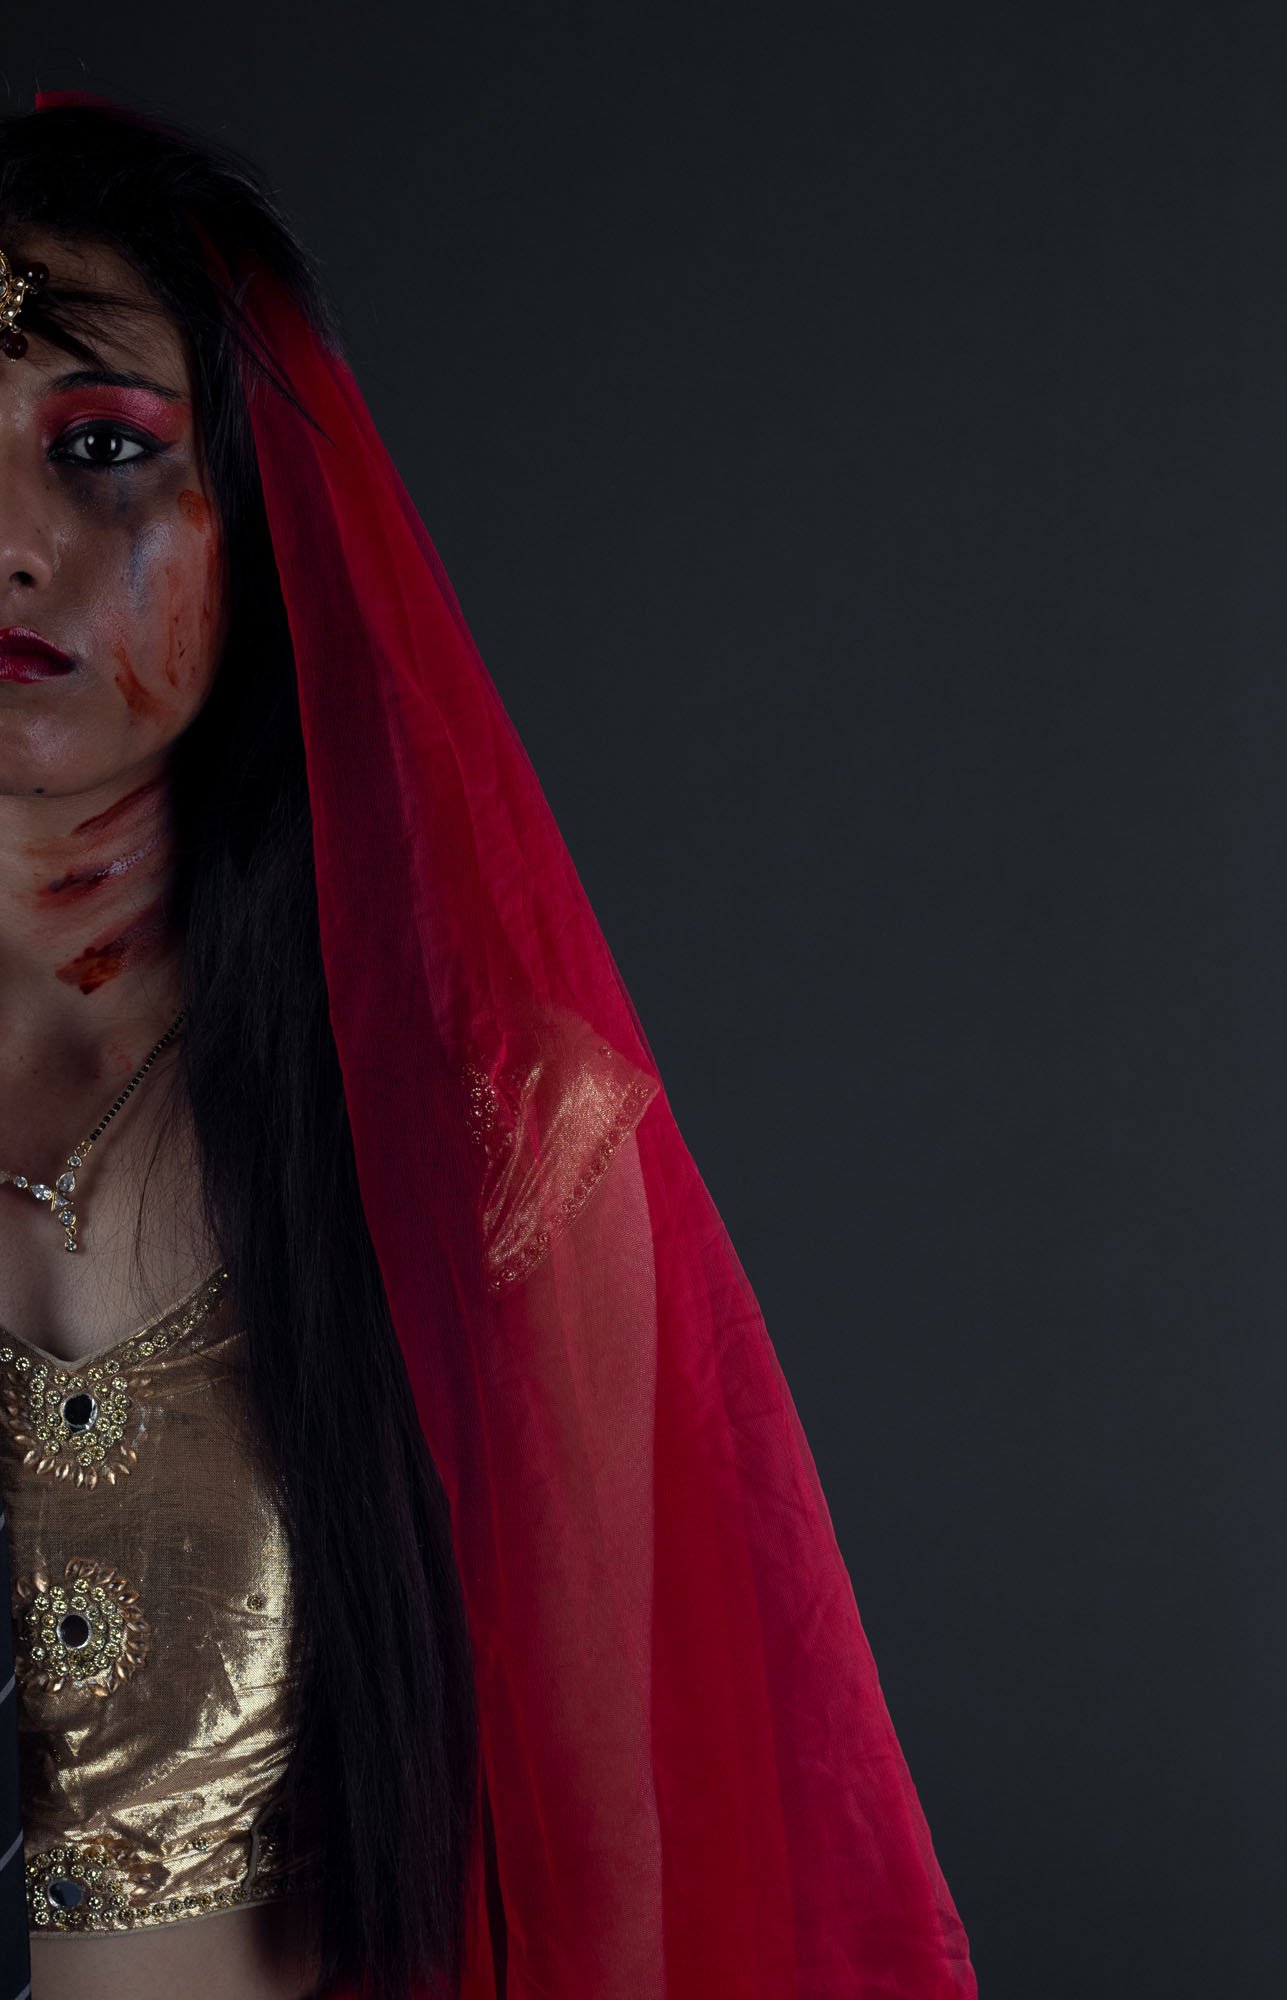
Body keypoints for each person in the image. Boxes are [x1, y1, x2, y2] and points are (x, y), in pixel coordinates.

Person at [0, 95, 979, 2000]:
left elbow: (599, 1873)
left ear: (258, 520)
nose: (12, 545)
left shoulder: (489, 1127)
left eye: (101, 449)